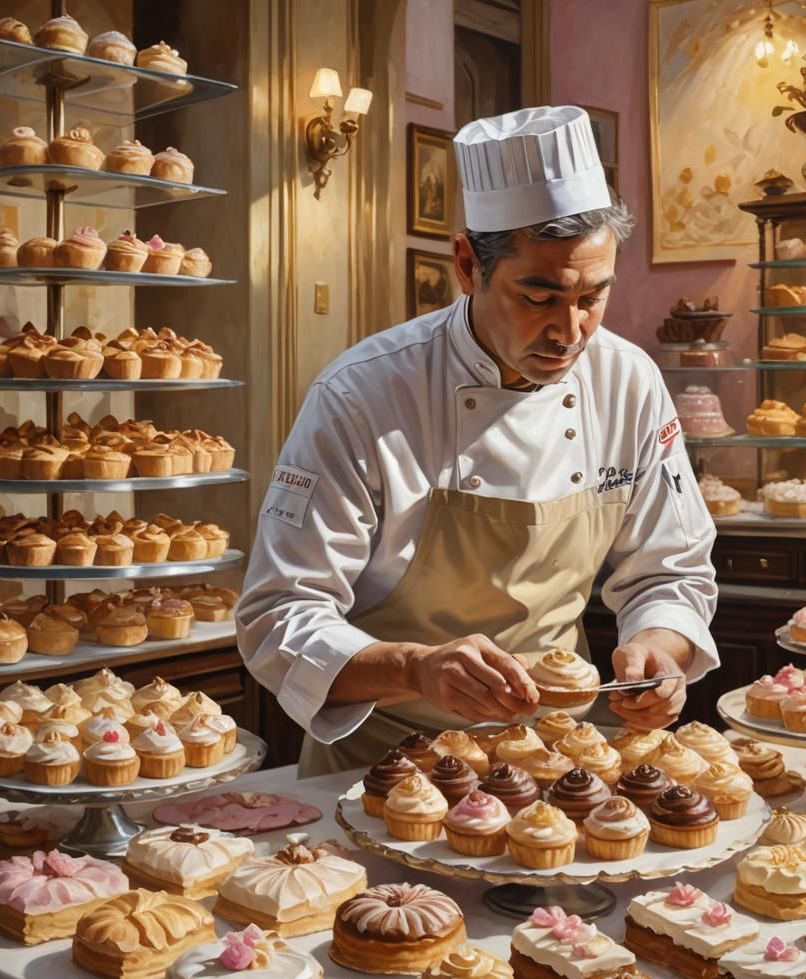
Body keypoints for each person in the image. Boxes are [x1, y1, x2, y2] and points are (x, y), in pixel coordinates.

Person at [237, 106, 719, 775]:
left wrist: (660, 646)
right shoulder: (362, 395)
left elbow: (671, 568)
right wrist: (416, 666)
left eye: (592, 297)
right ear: (468, 264)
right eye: (539, 296)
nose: (569, 331)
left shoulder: (629, 381)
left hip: (561, 762)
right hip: (380, 769)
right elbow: (279, 615)